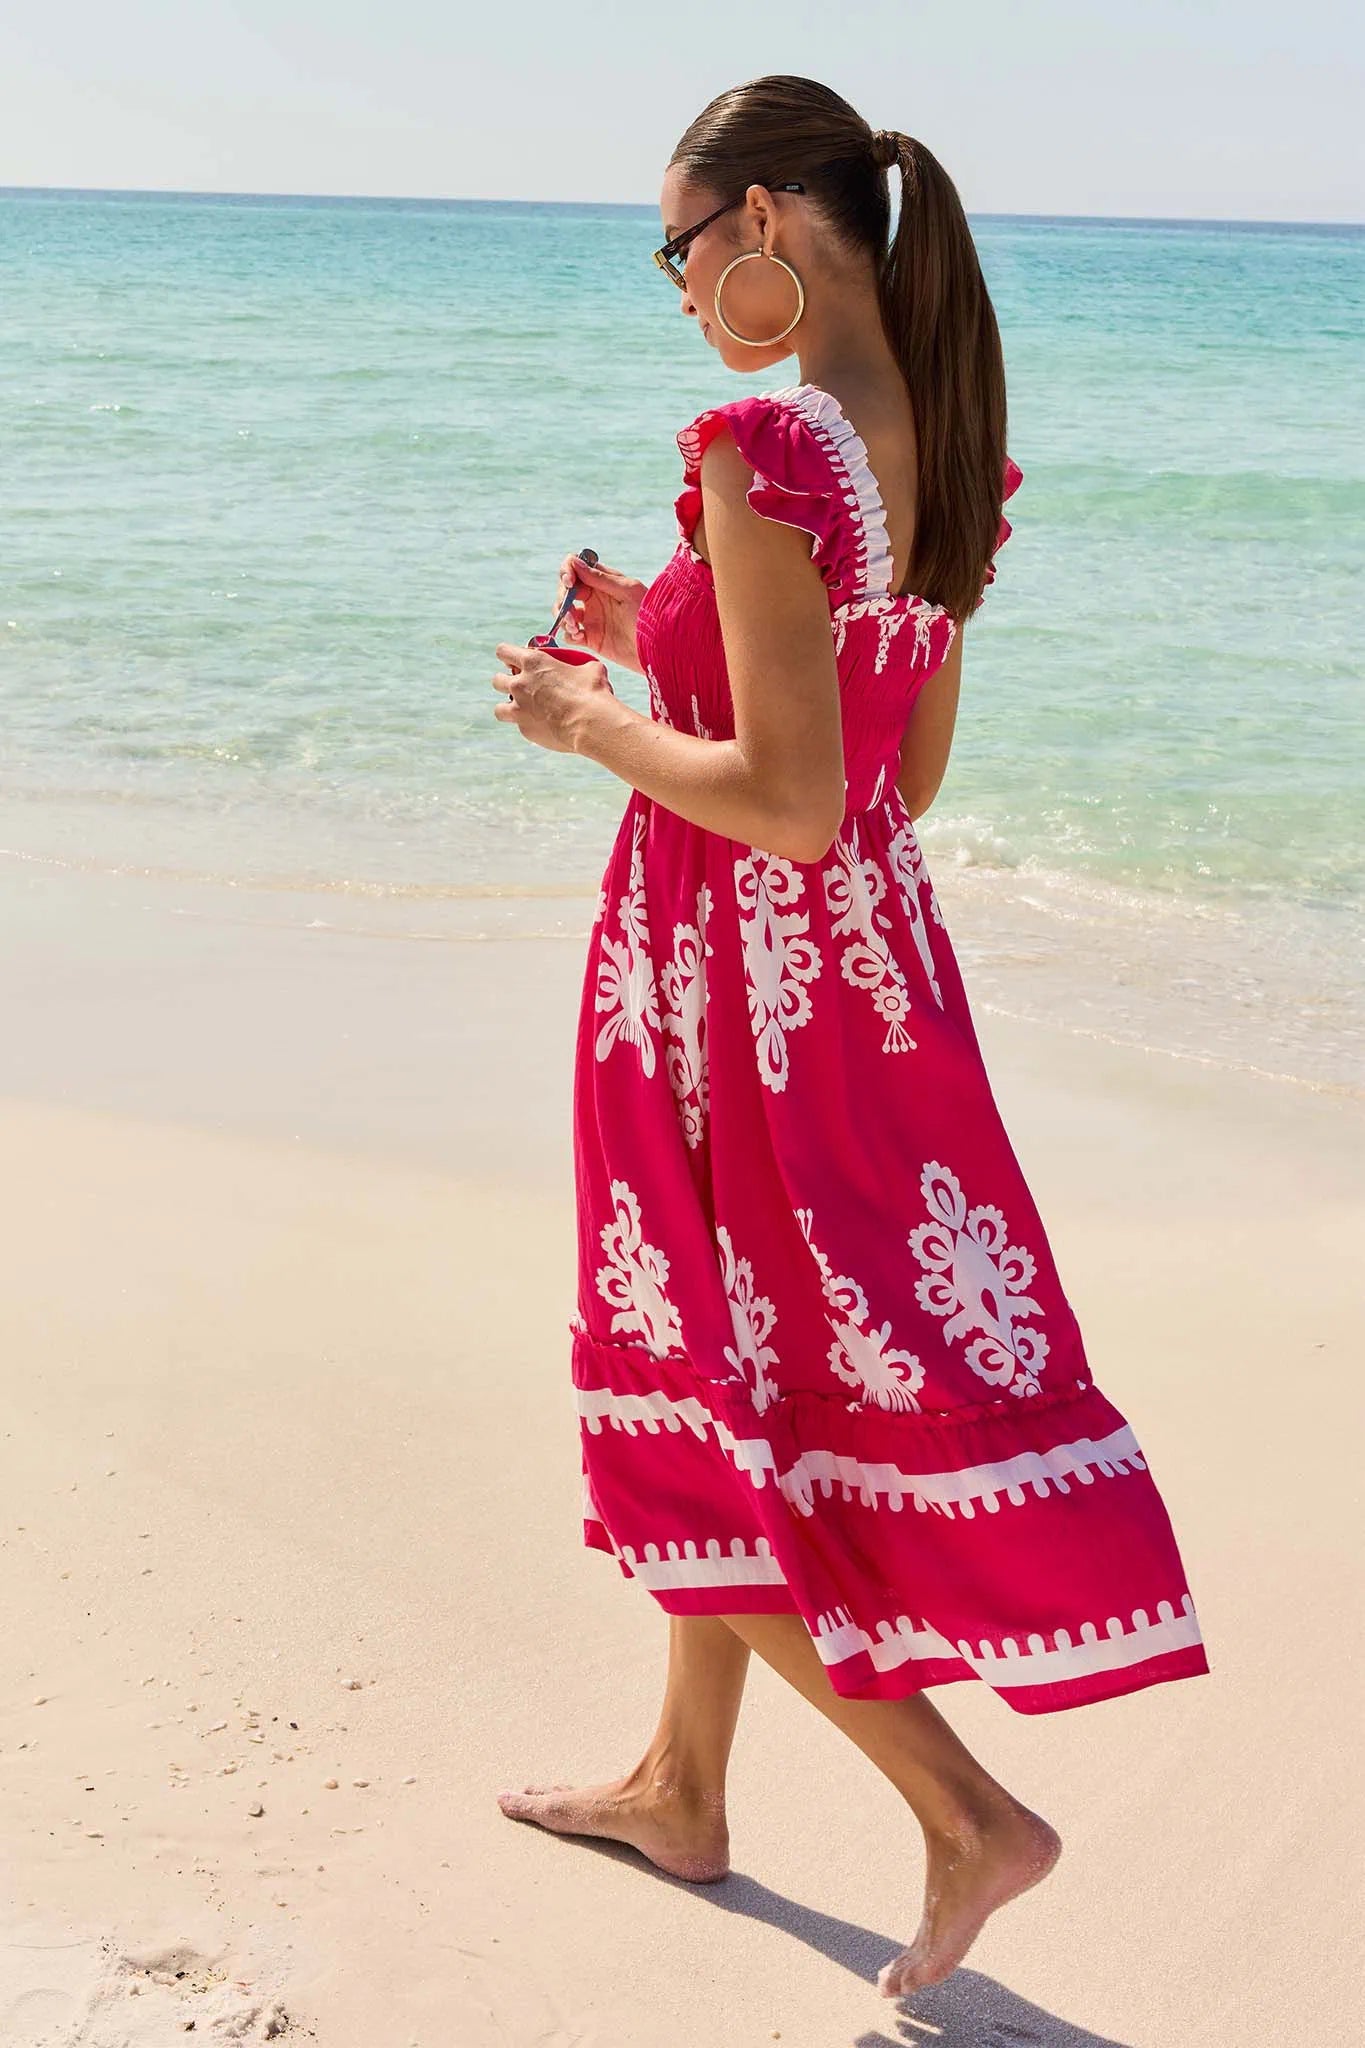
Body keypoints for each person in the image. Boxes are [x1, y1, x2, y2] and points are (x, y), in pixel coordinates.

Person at [490, 74, 1206, 1999]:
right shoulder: (940, 434)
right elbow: (898, 770)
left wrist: (587, 722)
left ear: (768, 229)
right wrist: (676, 636)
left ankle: (963, 1813)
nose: (671, 285)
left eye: (674, 245)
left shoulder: (758, 431)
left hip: (724, 984)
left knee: (691, 1421)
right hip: (865, 984)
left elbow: (788, 802)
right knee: (751, 1391)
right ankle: (679, 1784)